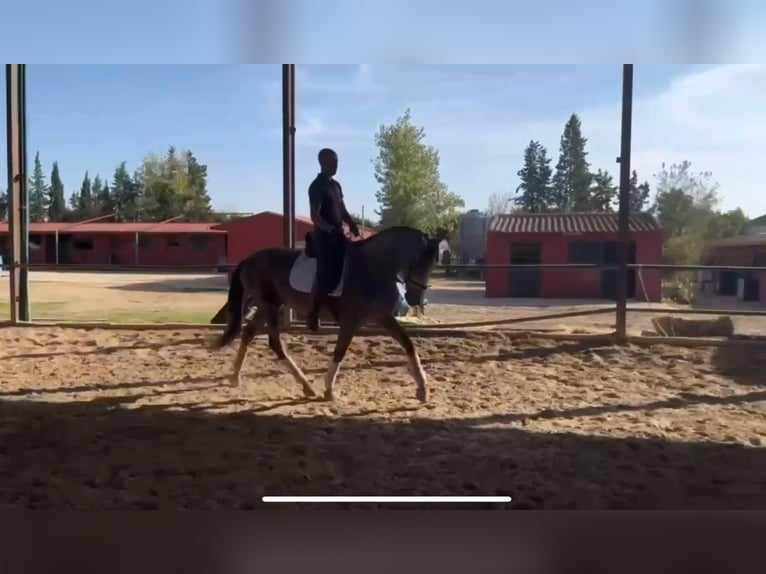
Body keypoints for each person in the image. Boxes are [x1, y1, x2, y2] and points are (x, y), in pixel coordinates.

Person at [306, 148, 360, 331]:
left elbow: (342, 210)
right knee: (327, 272)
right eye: (333, 162)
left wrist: (351, 223)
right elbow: (315, 216)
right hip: (324, 236)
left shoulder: (336, 186)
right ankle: (313, 314)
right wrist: (330, 230)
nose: (336, 166)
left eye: (337, 162)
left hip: (338, 233)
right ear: (322, 163)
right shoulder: (316, 186)